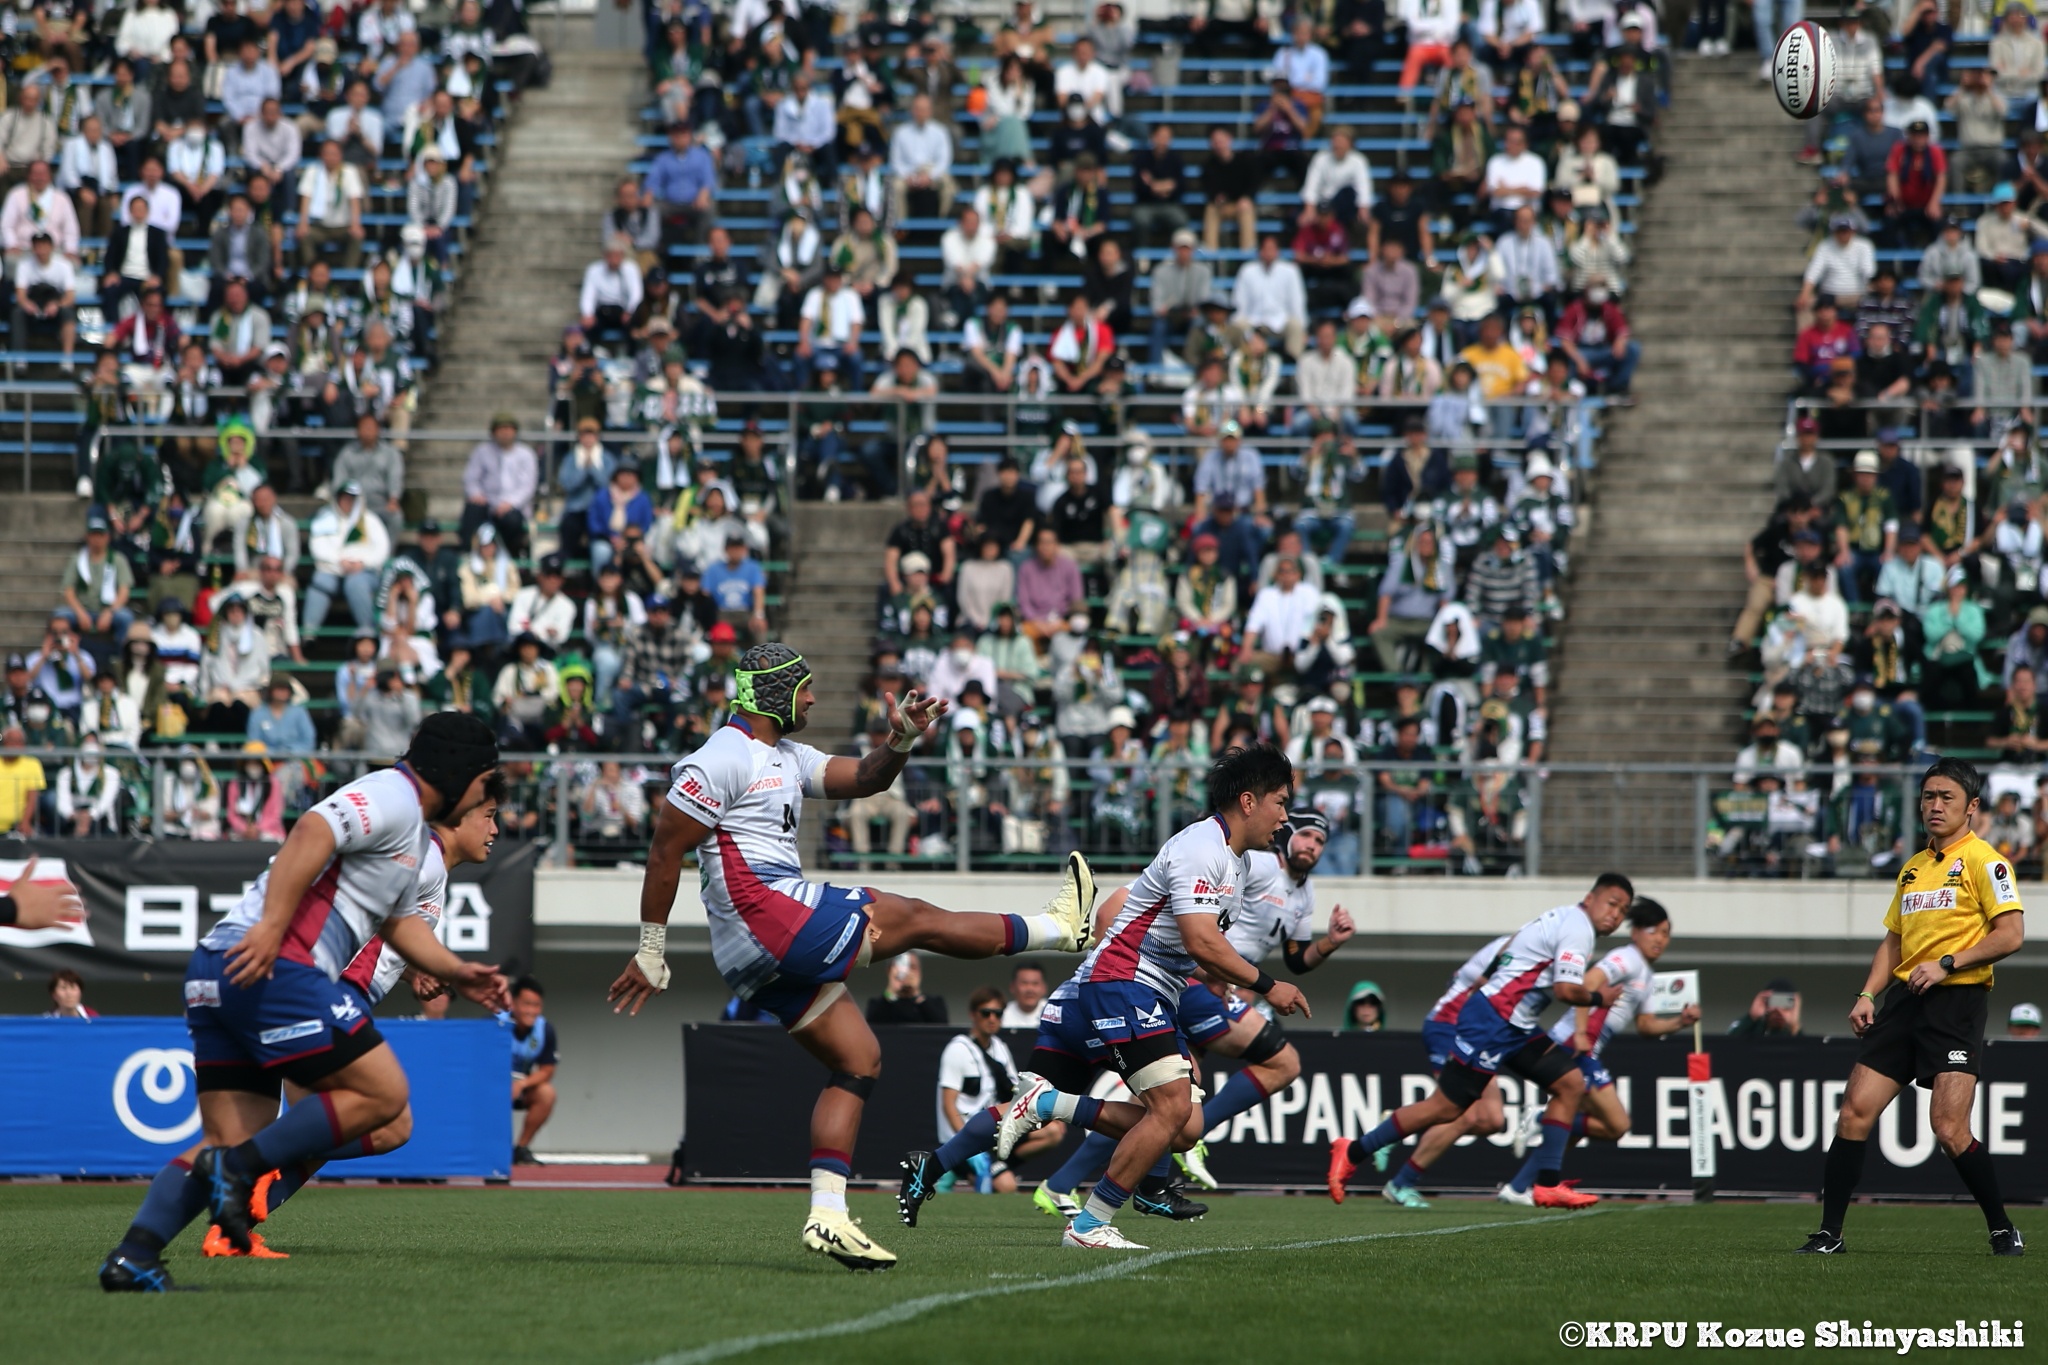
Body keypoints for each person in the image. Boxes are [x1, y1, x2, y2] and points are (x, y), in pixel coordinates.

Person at [606, 643, 1096, 1271]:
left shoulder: (785, 755)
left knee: (859, 1060)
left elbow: (866, 779)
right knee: (911, 917)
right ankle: (1058, 928)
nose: (812, 698)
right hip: (769, 918)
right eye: (803, 688)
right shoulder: (723, 755)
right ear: (772, 694)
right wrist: (651, 947)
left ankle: (828, 1215)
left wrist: (902, 740)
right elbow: (664, 849)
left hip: (755, 948)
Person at [98, 712, 508, 1291]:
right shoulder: (395, 795)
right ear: (462, 773)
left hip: (217, 965)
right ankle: (237, 1172)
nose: (490, 802)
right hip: (275, 965)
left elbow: (398, 924)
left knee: (227, 1138)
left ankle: (134, 1256)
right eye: (487, 785)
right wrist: (272, 927)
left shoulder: (411, 832)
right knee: (384, 1096)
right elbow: (314, 829)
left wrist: (456, 970)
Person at [907, 745, 1311, 1250]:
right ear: (1248, 801)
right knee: (1172, 1107)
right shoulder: (1201, 847)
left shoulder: (1238, 862)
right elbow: (1197, 939)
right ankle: (1094, 1219)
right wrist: (1269, 985)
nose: (1285, 817)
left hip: (1132, 989)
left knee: (1182, 1124)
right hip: (1123, 984)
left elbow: (1194, 943)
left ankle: (947, 1158)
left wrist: (1215, 972)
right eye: (1281, 802)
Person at [1036, 807, 1354, 1207]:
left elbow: (1297, 959)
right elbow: (1138, 900)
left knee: (1162, 1103)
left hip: (1221, 985)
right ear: (1286, 833)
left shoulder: (1304, 893)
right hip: (1199, 982)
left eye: (1320, 840)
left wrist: (1331, 943)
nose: (1312, 845)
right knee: (1280, 1064)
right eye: (1305, 834)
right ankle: (1183, 1150)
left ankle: (1064, 1183)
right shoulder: (1254, 861)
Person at [1800, 758, 2025, 1258]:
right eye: (1928, 796)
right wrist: (1867, 994)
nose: (1935, 805)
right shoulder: (1912, 868)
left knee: (1949, 1128)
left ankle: (2003, 1229)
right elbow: (1894, 942)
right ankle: (1830, 1235)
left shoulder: (1987, 862)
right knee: (1854, 1112)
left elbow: (2011, 935)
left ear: (1972, 806)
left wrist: (1948, 963)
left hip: (1957, 1001)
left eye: (1947, 797)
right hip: (1905, 1000)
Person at [1327, 873, 1636, 1209]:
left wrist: (1489, 977)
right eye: (1612, 904)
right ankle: (1353, 1151)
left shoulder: (1563, 917)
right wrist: (1600, 998)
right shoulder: (1579, 928)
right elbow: (1565, 990)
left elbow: (1511, 945)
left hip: (1515, 1025)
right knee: (1446, 1108)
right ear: (1590, 898)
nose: (1615, 915)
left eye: (1623, 911)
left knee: (1569, 1083)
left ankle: (1546, 1185)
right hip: (1493, 1021)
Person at [1492, 899, 1700, 1204]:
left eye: (1666, 934)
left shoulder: (1645, 974)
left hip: (1586, 1049)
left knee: (1571, 1130)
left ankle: (1518, 1187)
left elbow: (1646, 1026)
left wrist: (1681, 1022)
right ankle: (1539, 1118)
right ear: (1636, 932)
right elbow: (1588, 981)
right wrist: (1579, 1032)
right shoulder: (1626, 958)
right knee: (1617, 1125)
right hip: (1575, 1046)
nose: (1660, 939)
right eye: (1654, 931)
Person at [506, 977, 558, 1164]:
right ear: (513, 1003)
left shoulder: (545, 1030)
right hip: (491, 1087)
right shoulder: (495, 1023)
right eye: (526, 1004)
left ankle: (520, 1148)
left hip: (520, 1088)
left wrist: (522, 1084)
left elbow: (547, 1070)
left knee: (546, 1093)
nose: (531, 1011)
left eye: (536, 1005)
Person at [866, 951, 949, 1023]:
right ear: (890, 971)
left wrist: (915, 993)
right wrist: (893, 988)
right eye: (903, 968)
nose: (908, 973)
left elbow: (941, 1025)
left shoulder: (936, 1003)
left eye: (913, 967)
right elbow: (873, 1022)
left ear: (920, 971)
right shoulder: (877, 1003)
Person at [1001, 961, 1049, 1028]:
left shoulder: (1055, 1013)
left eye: (1035, 983)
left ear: (1044, 988)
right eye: (1024, 983)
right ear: (1012, 987)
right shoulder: (1001, 1015)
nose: (1030, 989)